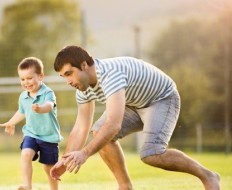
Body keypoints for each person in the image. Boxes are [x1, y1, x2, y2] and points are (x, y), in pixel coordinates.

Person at [49, 45, 220, 190]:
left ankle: (208, 175)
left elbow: (113, 125)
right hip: (133, 103)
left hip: (161, 98)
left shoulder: (110, 75)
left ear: (84, 65)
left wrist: (84, 153)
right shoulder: (83, 88)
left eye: (69, 73)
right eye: (64, 76)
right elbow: (80, 128)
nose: (68, 81)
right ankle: (125, 187)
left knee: (151, 154)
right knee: (99, 132)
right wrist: (65, 161)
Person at [0, 57, 63, 190]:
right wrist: (11, 122)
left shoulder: (48, 92)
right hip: (31, 134)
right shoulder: (23, 96)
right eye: (22, 79)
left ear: (40, 76)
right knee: (26, 154)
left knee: (48, 168)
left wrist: (40, 109)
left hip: (49, 136)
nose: (26, 82)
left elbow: (49, 105)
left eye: (29, 78)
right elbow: (21, 111)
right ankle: (27, 186)